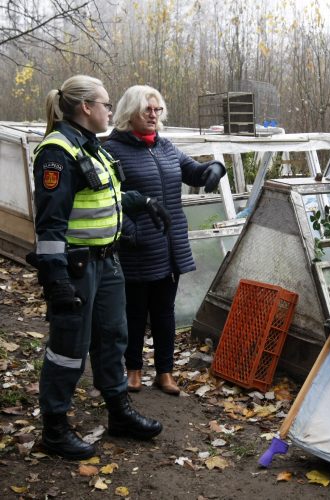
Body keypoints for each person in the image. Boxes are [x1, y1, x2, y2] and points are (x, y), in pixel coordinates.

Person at [29, 75, 171, 460]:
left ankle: (119, 413)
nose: (111, 110)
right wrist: (56, 279)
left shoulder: (91, 146)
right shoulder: (57, 152)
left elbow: (102, 194)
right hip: (76, 268)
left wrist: (141, 201)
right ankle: (55, 428)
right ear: (86, 108)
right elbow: (50, 225)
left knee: (114, 337)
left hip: (108, 261)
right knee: (68, 348)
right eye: (106, 103)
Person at [103, 85, 225, 396]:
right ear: (130, 113)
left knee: (164, 312)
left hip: (170, 248)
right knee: (134, 312)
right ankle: (133, 370)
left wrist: (215, 168)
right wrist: (133, 234)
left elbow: (195, 172)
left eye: (158, 110)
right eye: (148, 110)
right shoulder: (113, 151)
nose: (154, 116)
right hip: (137, 249)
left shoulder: (166, 148)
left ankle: (165, 372)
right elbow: (109, 200)